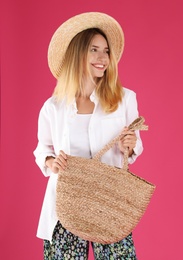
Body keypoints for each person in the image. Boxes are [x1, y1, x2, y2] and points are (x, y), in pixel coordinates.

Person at [33, 12, 142, 259]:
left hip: (110, 202)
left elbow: (134, 148)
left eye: (106, 51)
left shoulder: (125, 99)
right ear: (78, 53)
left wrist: (131, 145)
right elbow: (43, 149)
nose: (103, 58)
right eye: (94, 50)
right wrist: (51, 162)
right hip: (66, 204)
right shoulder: (54, 107)